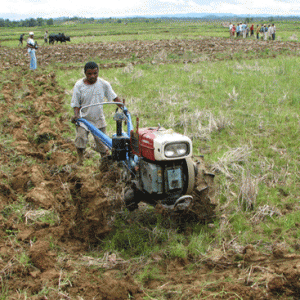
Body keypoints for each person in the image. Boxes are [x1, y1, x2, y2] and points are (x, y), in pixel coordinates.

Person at [71, 61, 122, 165]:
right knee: (80, 138)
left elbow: (114, 97)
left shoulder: (104, 84)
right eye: (89, 74)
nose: (92, 76)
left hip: (98, 118)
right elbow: (76, 103)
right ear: (85, 73)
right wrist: (77, 115)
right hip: (84, 118)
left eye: (95, 73)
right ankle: (80, 160)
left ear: (98, 72)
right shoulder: (79, 86)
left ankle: (104, 162)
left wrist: (124, 109)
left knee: (102, 142)